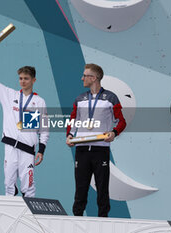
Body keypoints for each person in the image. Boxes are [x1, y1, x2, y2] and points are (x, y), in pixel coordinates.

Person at [0, 46, 49, 197]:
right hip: (10, 146)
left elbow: (44, 129)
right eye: (20, 78)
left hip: (28, 150)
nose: (23, 81)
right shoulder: (9, 95)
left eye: (26, 78)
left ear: (34, 80)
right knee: (8, 184)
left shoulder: (38, 101)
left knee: (28, 186)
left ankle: (29, 216)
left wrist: (41, 150)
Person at [66, 63, 126, 217]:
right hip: (82, 149)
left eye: (85, 75)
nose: (82, 78)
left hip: (101, 149)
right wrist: (70, 136)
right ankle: (76, 219)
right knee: (80, 187)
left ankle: (103, 221)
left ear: (93, 78)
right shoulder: (80, 99)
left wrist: (114, 132)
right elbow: (73, 121)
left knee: (102, 187)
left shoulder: (111, 98)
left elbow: (121, 121)